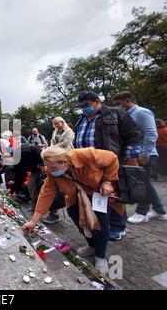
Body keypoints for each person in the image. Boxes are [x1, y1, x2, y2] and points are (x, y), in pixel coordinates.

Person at [22, 147, 121, 276]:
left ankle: (100, 255)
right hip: (74, 197)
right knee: (77, 218)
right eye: (48, 167)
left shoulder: (86, 155)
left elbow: (112, 158)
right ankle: (92, 245)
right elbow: (46, 193)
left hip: (97, 193)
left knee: (99, 224)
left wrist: (108, 181)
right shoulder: (52, 172)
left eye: (53, 168)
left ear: (65, 162)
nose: (50, 171)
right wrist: (33, 221)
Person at [74, 91, 143, 241]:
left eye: (87, 105)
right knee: (99, 195)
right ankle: (102, 224)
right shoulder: (81, 120)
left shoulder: (115, 114)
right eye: (82, 106)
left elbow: (133, 135)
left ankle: (117, 227)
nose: (84, 108)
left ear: (97, 101)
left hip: (111, 162)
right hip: (88, 166)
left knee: (115, 197)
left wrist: (132, 159)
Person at [112, 92, 167, 223]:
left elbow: (151, 133)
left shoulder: (142, 112)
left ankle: (142, 212)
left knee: (142, 183)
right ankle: (159, 211)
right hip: (136, 154)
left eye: (118, 103)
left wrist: (145, 153)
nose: (117, 106)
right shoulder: (127, 115)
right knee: (145, 182)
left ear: (127, 100)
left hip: (144, 154)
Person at [43, 117, 75, 224]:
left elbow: (66, 143)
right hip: (55, 158)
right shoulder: (54, 132)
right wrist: (50, 150)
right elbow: (52, 142)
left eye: (58, 123)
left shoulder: (69, 132)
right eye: (54, 124)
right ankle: (54, 211)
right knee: (55, 184)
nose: (56, 125)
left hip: (66, 157)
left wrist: (52, 149)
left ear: (63, 122)